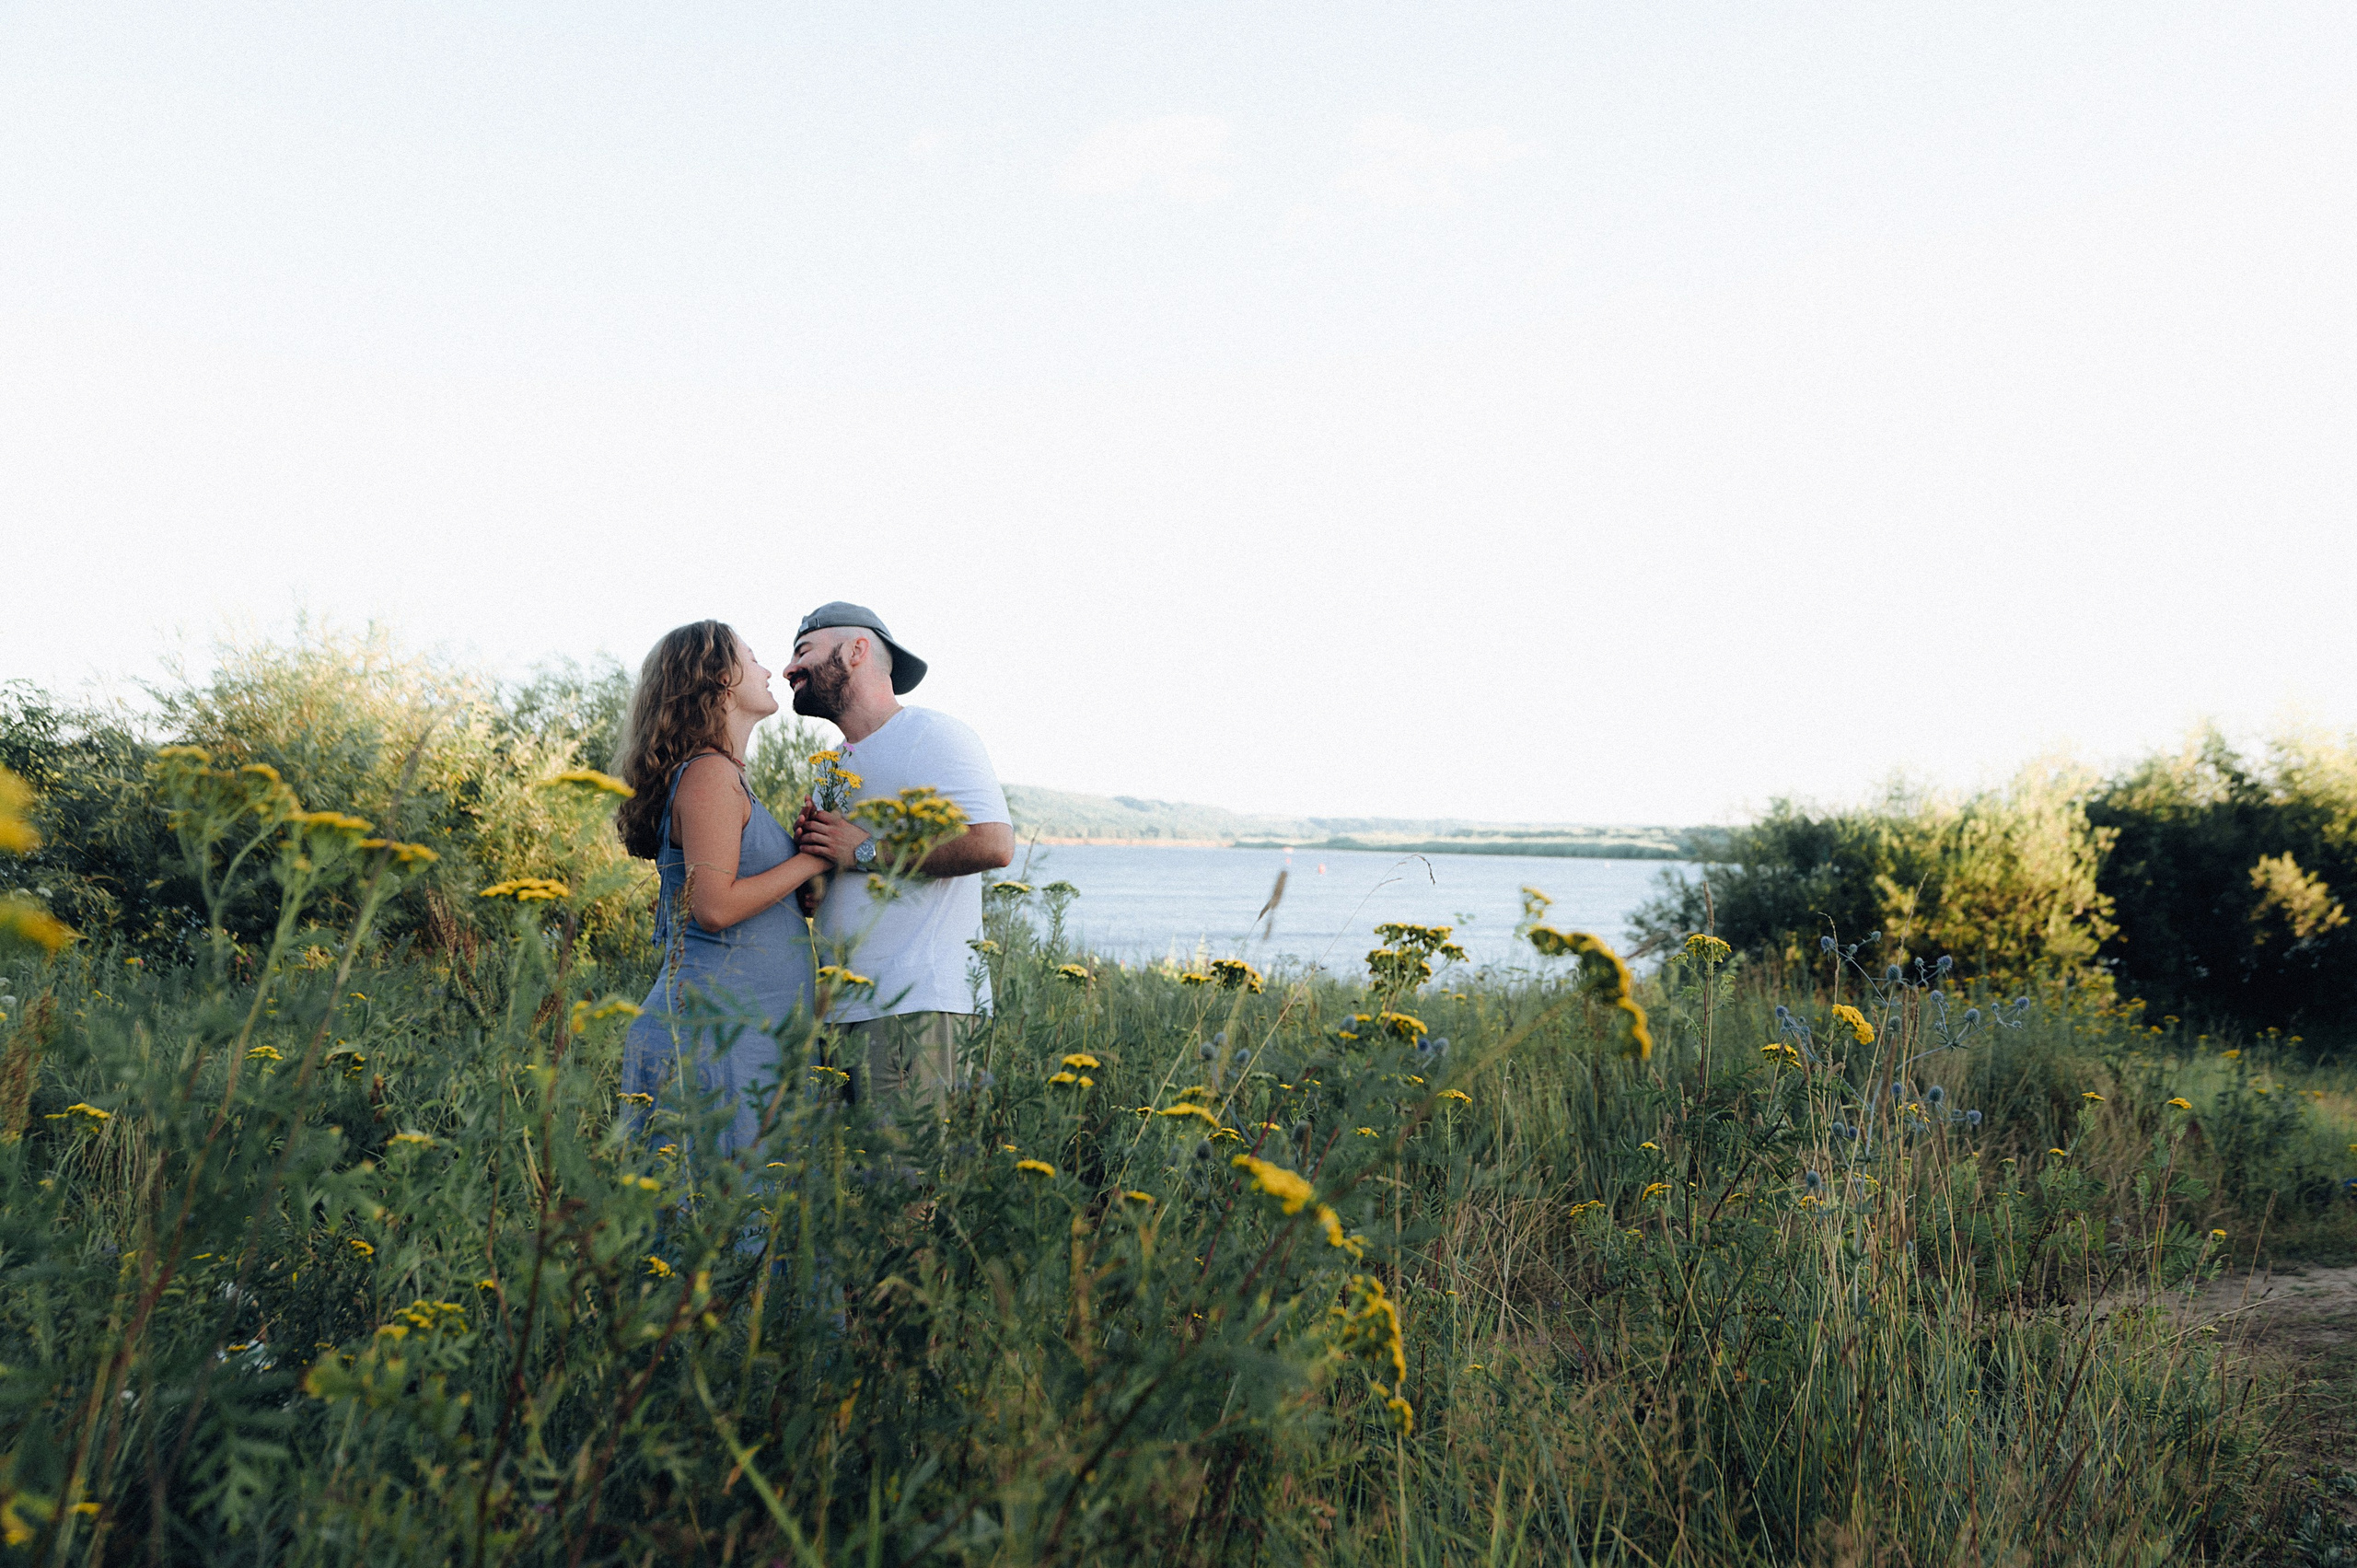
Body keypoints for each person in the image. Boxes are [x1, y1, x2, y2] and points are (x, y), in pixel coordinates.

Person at [613, 620, 833, 1156]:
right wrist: (811, 859)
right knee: (709, 1199)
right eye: (752, 658)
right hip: (713, 1034)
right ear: (720, 680)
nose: (769, 671)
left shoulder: (721, 775)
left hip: (741, 1033)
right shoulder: (709, 774)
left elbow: (739, 895)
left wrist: (801, 888)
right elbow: (713, 907)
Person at [787, 602, 1014, 1117]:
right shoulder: (834, 764)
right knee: (846, 1170)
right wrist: (814, 873)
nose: (788, 669)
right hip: (840, 1014)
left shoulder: (933, 735)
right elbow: (844, 878)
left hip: (912, 1007)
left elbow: (994, 844)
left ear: (856, 650)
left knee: (903, 1169)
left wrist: (863, 850)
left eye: (803, 651)